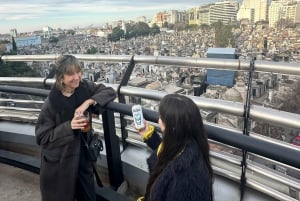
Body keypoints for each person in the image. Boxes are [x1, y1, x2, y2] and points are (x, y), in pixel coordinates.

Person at [35, 55, 116, 201]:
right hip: (60, 163)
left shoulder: (84, 87)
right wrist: (69, 127)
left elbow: (110, 91)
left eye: (78, 72)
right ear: (61, 78)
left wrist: (89, 102)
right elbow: (42, 138)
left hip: (83, 158)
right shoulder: (51, 103)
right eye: (70, 74)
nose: (76, 77)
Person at [137, 94, 213, 201]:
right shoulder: (191, 146)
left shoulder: (183, 180)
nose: (158, 121)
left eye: (160, 117)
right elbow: (167, 153)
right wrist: (148, 134)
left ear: (169, 126)